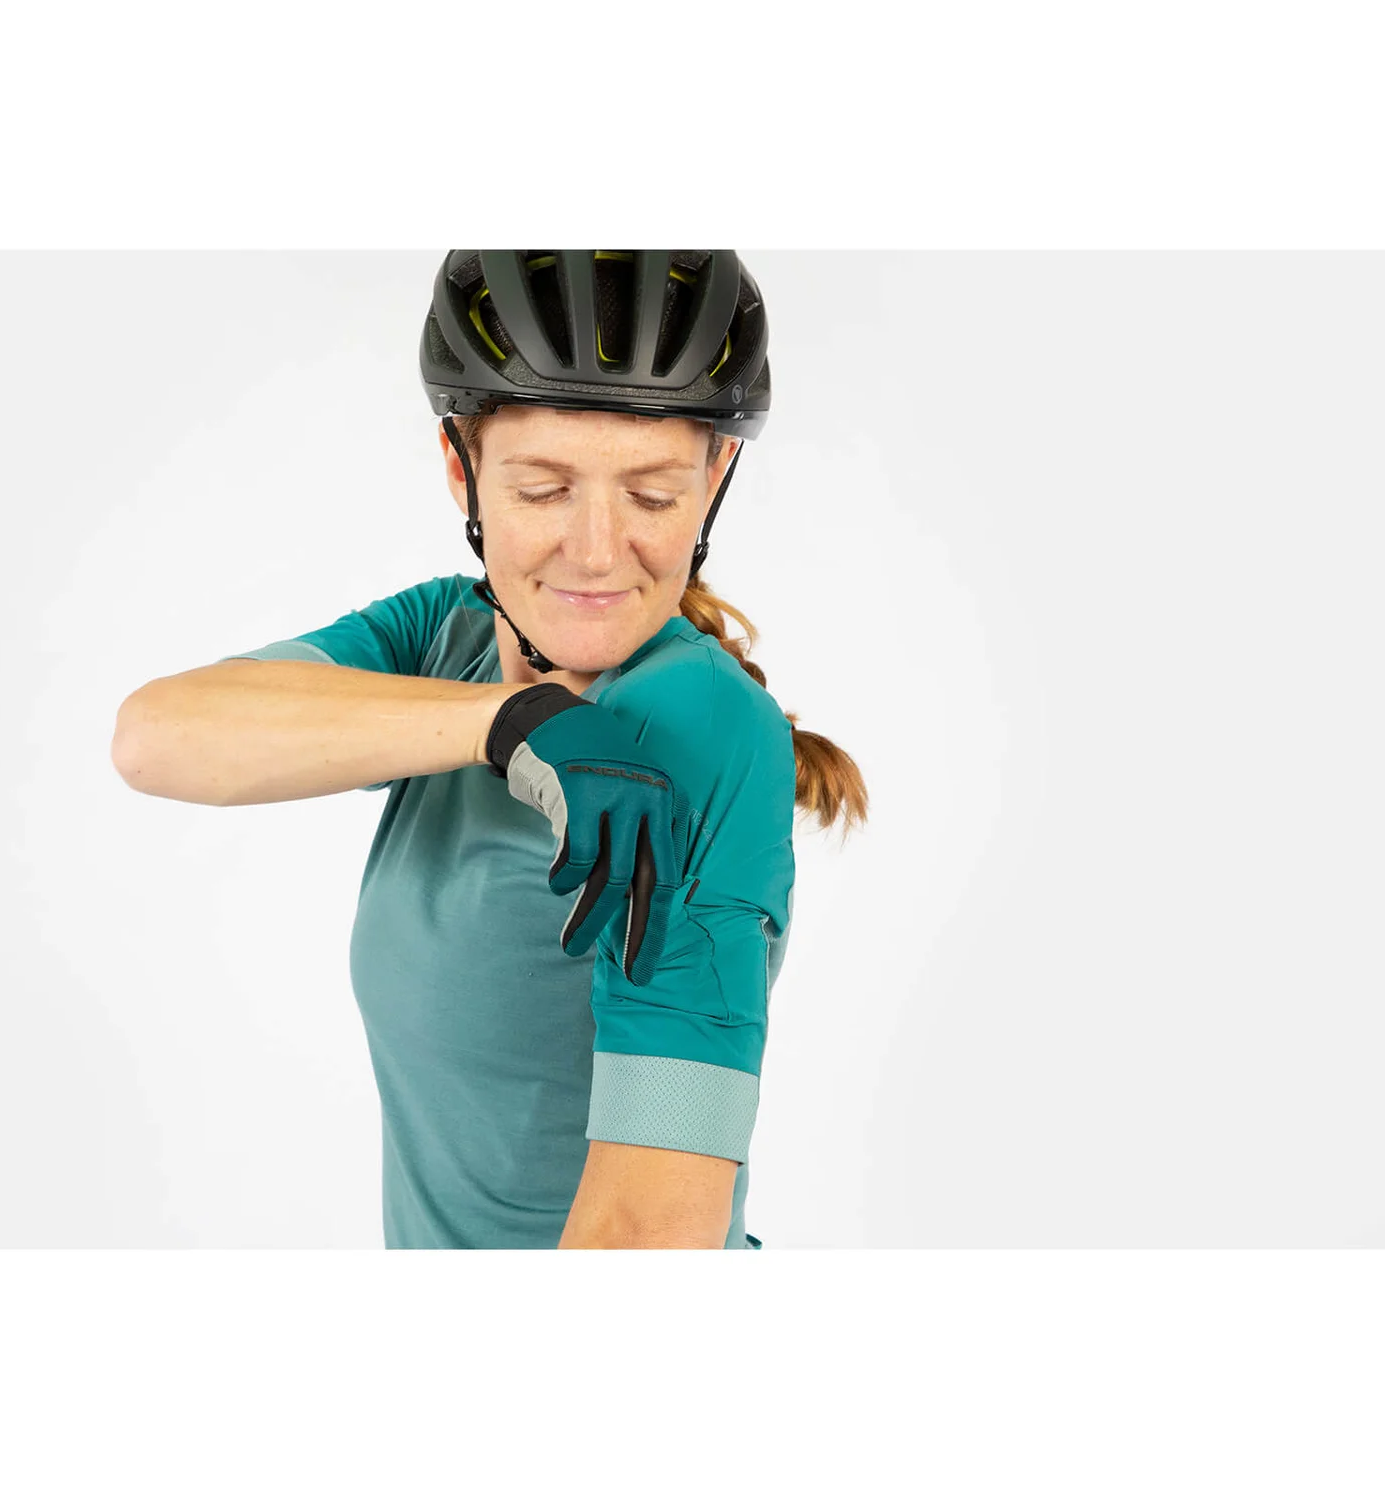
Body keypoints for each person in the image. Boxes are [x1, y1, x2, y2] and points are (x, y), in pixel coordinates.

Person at [112, 249, 868, 1249]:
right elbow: (157, 736)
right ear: (458, 468)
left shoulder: (699, 733)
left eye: (651, 496)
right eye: (544, 489)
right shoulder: (451, 634)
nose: (595, 552)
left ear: (715, 476)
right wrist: (508, 722)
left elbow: (652, 1235)